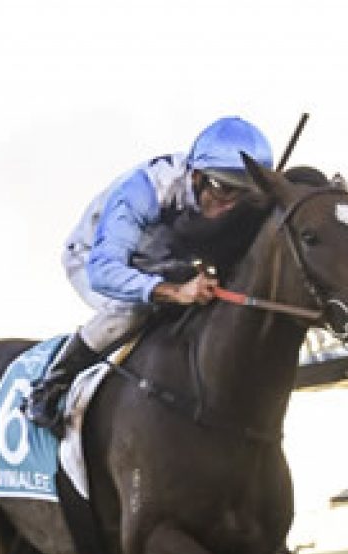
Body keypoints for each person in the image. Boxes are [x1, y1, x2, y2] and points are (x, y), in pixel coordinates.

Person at [26, 116, 276, 432]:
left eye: (245, 194)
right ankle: (51, 386)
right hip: (97, 259)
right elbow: (103, 272)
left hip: (168, 258)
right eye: (225, 190)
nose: (232, 205)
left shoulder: (225, 192)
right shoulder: (144, 191)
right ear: (197, 177)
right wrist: (174, 291)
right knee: (132, 309)